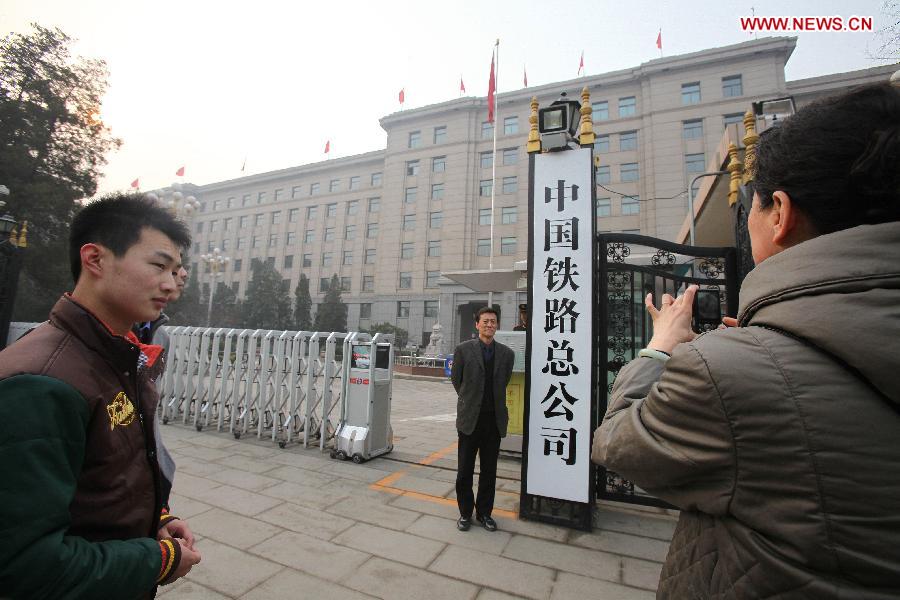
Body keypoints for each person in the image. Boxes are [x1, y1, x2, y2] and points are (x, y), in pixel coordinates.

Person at [592, 82, 900, 598]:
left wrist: (662, 346)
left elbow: (618, 445)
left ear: (779, 213)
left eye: (751, 208)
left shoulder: (729, 374)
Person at [0, 194, 202, 598]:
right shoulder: (42, 382)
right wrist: (158, 560)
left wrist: (155, 518)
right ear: (94, 259)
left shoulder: (115, 355)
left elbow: (101, 478)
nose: (171, 284)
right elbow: (26, 566)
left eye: (177, 271)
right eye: (159, 266)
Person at [451, 307, 514, 532]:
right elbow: (457, 381)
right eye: (485, 321)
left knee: (489, 470)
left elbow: (504, 381)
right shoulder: (463, 350)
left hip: (493, 421)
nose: (489, 325)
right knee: (465, 470)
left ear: (497, 325)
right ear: (477, 325)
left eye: (493, 321)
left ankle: (485, 513)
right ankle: (465, 513)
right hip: (470, 420)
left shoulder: (507, 354)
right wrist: (471, 400)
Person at [135, 262, 189, 508]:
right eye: (161, 264)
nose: (182, 275)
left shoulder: (159, 335)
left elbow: (148, 406)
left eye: (179, 266)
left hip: (151, 476)